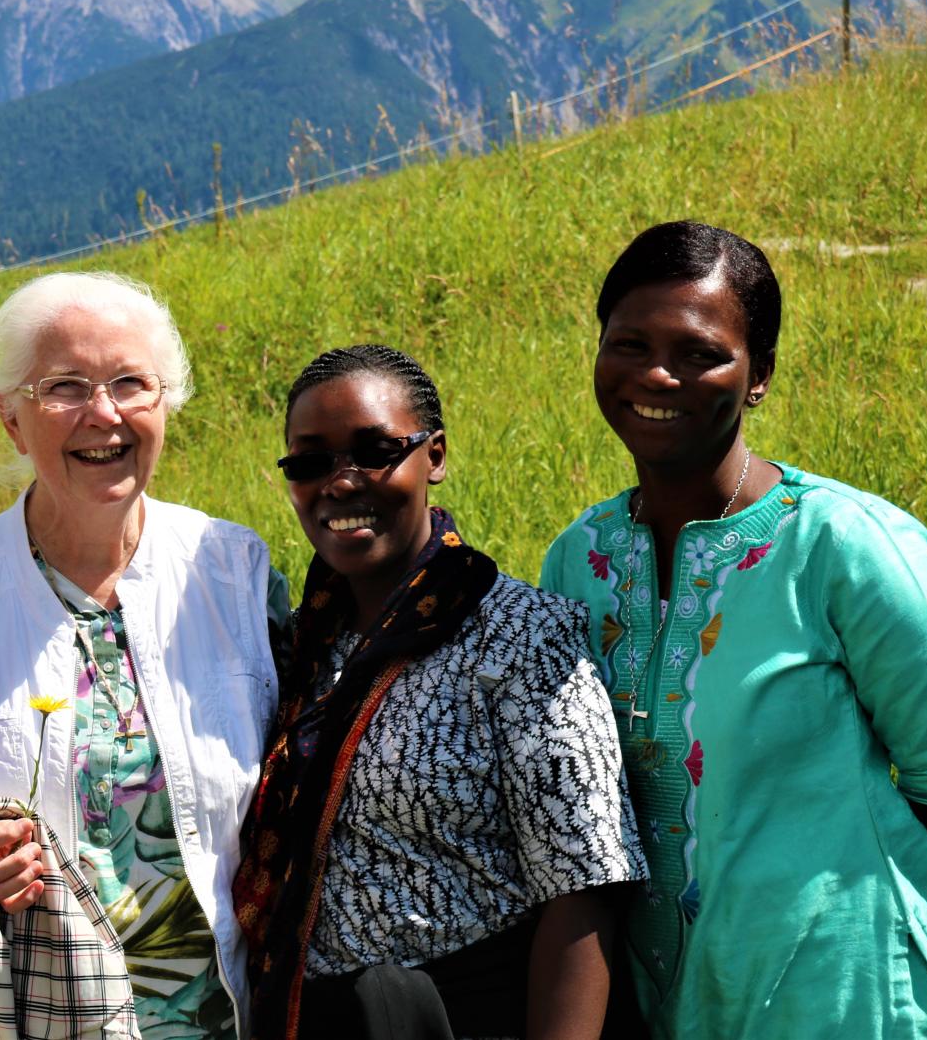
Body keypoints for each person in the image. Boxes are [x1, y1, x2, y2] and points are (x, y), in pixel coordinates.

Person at [540, 221, 927, 1038]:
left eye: (700, 353)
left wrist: (817, 900)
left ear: (759, 375)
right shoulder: (578, 560)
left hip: (845, 997)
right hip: (661, 1002)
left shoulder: (846, 546)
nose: (657, 373)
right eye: (630, 343)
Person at [0, 271, 288, 1037]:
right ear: (13, 421)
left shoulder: (239, 578)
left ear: (167, 403)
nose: (103, 414)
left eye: (131, 383)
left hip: (230, 1016)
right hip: (30, 1017)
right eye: (64, 386)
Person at [234, 345, 646, 1040]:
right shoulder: (298, 648)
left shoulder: (519, 637)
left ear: (436, 455)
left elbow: (586, 891)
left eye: (375, 452)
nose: (341, 482)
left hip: (473, 1015)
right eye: (311, 461)